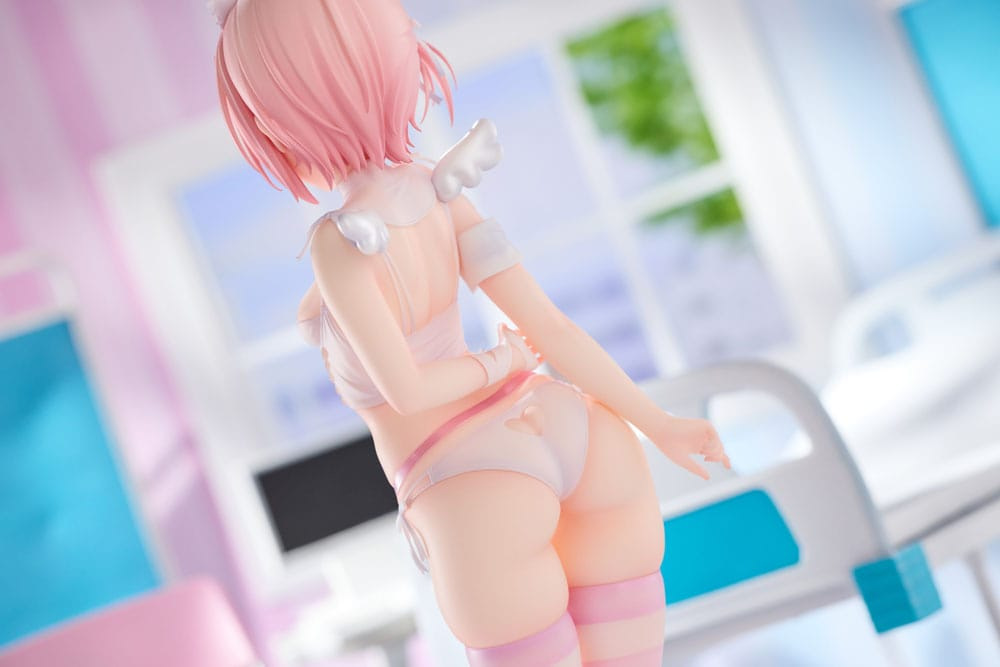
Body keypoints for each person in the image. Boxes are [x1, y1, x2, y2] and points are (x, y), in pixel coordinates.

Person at [213, 1, 729, 664]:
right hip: (579, 430)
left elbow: (406, 390)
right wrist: (658, 423)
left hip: (467, 475)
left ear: (281, 112)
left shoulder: (338, 244)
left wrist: (496, 362)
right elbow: (552, 327)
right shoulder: (436, 189)